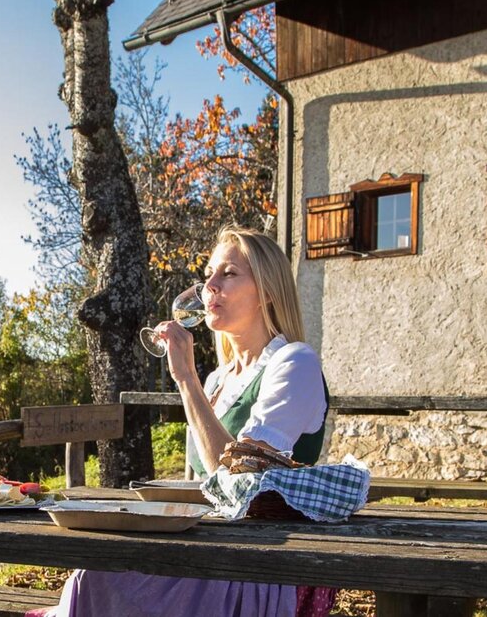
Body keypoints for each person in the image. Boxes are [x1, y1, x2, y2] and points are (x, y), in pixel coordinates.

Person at [33, 225, 333, 617]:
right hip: (207, 545)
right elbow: (200, 487)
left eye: (228, 273)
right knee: (92, 571)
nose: (209, 285)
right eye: (209, 273)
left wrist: (185, 378)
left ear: (268, 292)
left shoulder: (295, 363)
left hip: (263, 562)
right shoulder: (219, 379)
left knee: (99, 584)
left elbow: (236, 480)